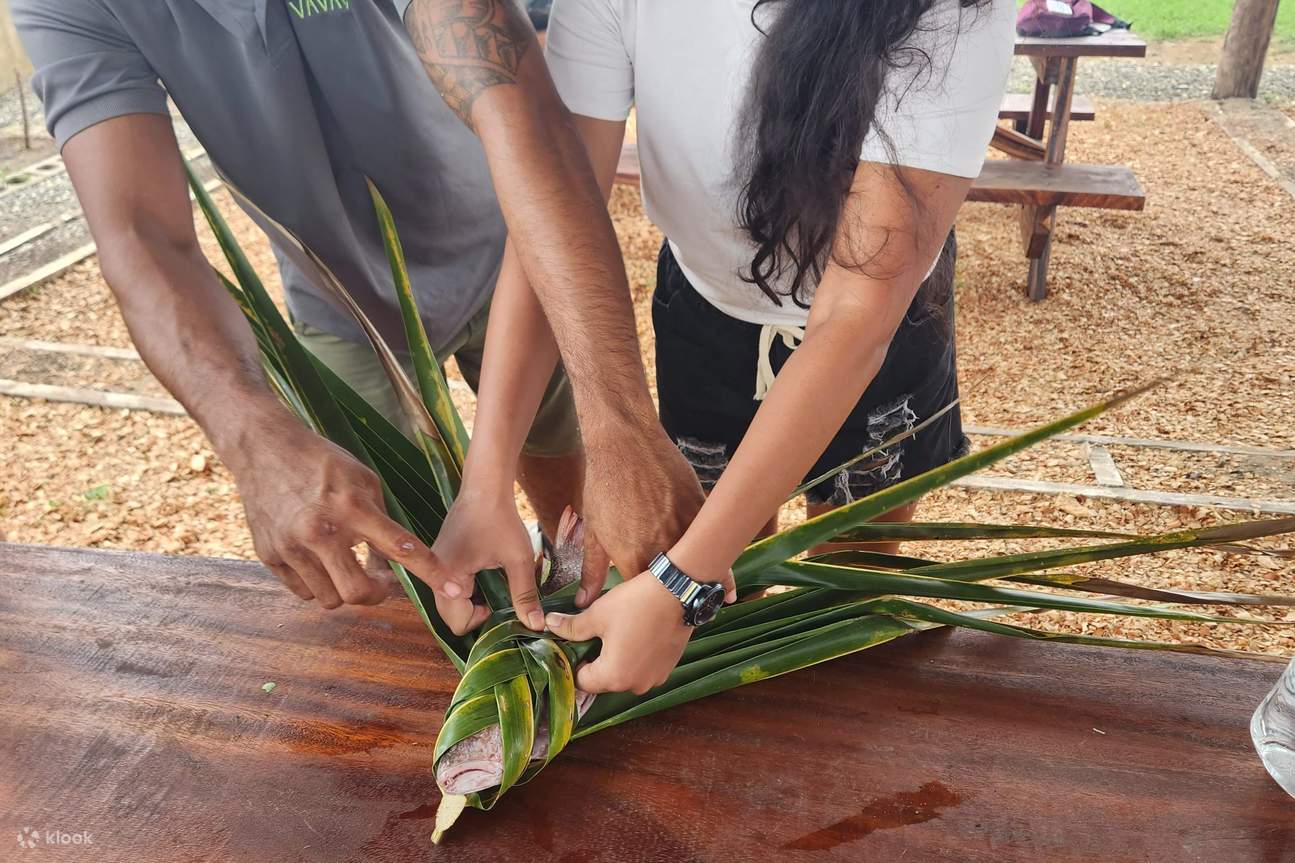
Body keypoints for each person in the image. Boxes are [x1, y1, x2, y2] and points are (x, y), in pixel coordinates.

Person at [12, 0, 704, 635]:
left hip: (516, 258)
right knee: (399, 555)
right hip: (337, 306)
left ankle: (565, 584)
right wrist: (252, 434)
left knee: (574, 491)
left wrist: (620, 419)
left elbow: (520, 104)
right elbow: (138, 231)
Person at [431, 0, 1015, 694]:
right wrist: (485, 478)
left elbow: (854, 315)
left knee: (851, 573)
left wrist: (681, 584)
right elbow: (551, 212)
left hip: (878, 331)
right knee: (716, 558)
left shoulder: (952, 10)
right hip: (706, 308)